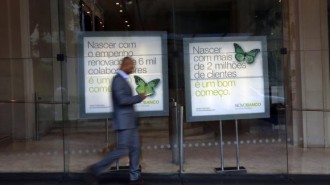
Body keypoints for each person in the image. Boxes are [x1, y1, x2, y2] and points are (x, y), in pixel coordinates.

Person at [86, 56, 147, 185]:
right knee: (123, 150)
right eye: (132, 65)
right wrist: (138, 98)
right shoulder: (118, 80)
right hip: (124, 123)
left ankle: (135, 177)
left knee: (135, 148)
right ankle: (95, 169)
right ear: (125, 65)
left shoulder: (123, 80)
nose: (133, 68)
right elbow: (122, 100)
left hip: (131, 123)